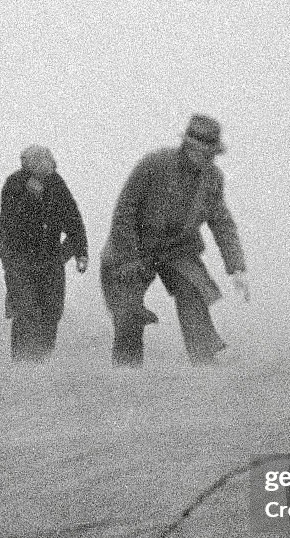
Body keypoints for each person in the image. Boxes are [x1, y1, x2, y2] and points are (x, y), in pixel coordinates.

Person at [100, 114, 249, 367]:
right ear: (188, 147)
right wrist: (129, 257)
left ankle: (205, 365)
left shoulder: (212, 178)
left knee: (194, 292)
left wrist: (236, 266)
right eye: (203, 153)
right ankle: (127, 373)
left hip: (178, 250)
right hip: (133, 246)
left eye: (212, 154)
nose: (208, 159)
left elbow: (222, 222)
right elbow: (125, 210)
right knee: (127, 312)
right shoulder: (155, 164)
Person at [0, 145, 89, 362]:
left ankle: (44, 360)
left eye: (49, 164)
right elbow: (10, 222)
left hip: (50, 258)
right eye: (39, 164)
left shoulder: (57, 184)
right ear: (27, 164)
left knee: (52, 311)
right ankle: (23, 362)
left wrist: (80, 252)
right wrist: (30, 197)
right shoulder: (15, 183)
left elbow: (73, 218)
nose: (47, 168)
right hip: (20, 258)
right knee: (25, 310)